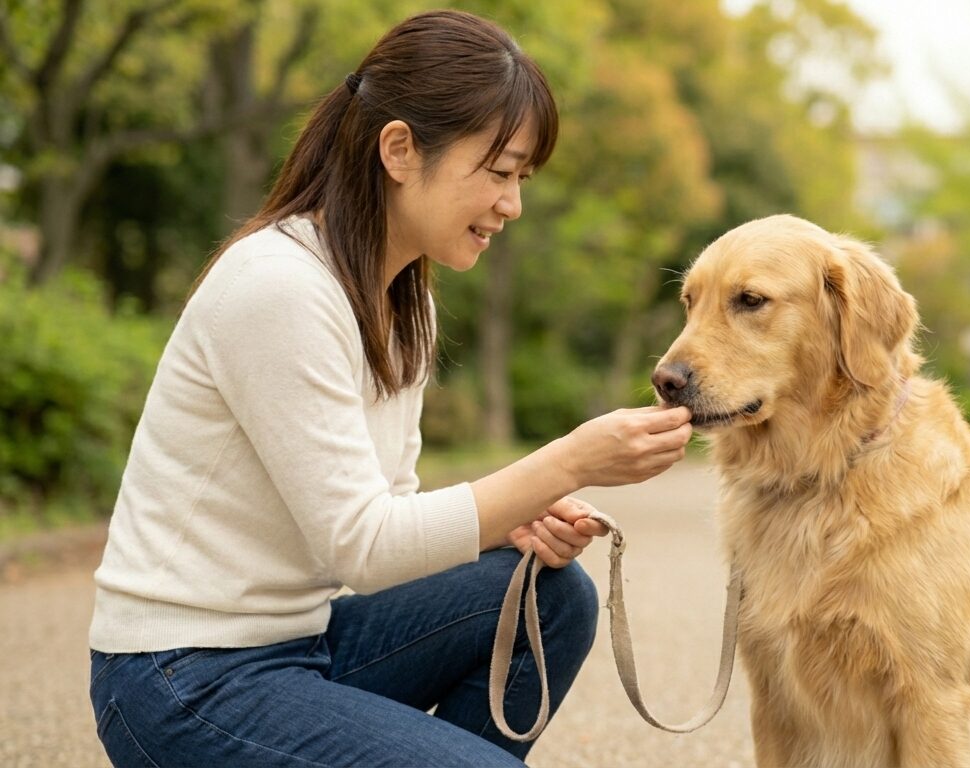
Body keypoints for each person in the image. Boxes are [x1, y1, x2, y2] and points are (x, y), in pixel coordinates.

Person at [86, 9, 693, 767]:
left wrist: (515, 519)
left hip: (301, 644)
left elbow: (392, 512)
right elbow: (365, 546)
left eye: (521, 179)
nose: (512, 204)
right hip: (182, 679)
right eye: (499, 172)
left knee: (549, 595)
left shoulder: (403, 304)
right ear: (400, 149)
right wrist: (567, 462)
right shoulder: (279, 287)